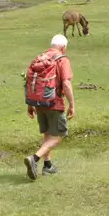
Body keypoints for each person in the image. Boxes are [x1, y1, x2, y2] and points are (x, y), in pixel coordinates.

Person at [24, 35, 75, 180]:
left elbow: (30, 82)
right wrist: (72, 105)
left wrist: (30, 104)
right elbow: (66, 83)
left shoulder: (40, 58)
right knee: (59, 135)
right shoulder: (62, 60)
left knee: (47, 133)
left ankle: (48, 166)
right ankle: (34, 158)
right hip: (54, 102)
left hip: (38, 103)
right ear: (63, 47)